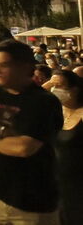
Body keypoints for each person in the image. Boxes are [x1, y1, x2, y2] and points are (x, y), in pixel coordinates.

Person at [0, 39, 63, 224]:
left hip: (33, 202)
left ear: (25, 67)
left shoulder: (43, 102)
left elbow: (24, 148)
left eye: (4, 65)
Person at [50, 69, 82, 225]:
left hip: (77, 183)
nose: (54, 90)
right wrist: (52, 82)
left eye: (59, 86)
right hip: (55, 181)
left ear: (74, 89)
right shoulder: (55, 112)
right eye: (52, 85)